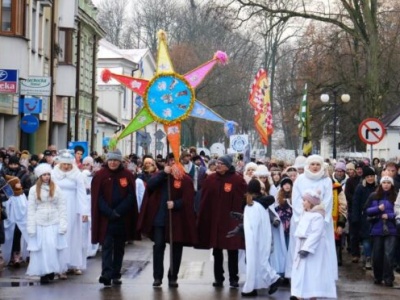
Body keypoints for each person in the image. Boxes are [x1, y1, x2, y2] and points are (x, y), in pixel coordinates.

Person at [137, 153, 198, 288]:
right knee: (158, 246)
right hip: (160, 219)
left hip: (177, 220)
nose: (172, 164)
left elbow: (188, 199)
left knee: (176, 249)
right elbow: (151, 186)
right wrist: (163, 174)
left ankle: (173, 277)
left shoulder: (185, 179)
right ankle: (157, 277)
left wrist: (176, 204)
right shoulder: (160, 176)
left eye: (174, 161)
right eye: (169, 161)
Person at [285, 155, 337, 286]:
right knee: (300, 248)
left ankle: (322, 277)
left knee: (320, 248)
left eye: (317, 164)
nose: (315, 167)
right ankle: (297, 275)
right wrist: (303, 217)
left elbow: (328, 200)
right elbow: (296, 199)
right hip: (301, 219)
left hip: (320, 220)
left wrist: (320, 217)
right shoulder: (300, 180)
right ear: (308, 165)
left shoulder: (326, 180)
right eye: (312, 164)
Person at [197, 155, 247, 288]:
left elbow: (244, 199)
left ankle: (233, 278)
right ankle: (218, 278)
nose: (218, 165)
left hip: (231, 222)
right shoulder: (211, 179)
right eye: (217, 163)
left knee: (232, 251)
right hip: (216, 222)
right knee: (217, 251)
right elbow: (204, 198)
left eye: (221, 163)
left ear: (228, 165)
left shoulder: (237, 180)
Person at [91, 149, 138, 287]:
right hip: (107, 218)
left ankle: (116, 273)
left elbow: (131, 196)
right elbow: (97, 197)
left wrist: (119, 211)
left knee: (119, 247)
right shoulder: (100, 175)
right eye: (111, 160)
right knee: (106, 245)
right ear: (107, 161)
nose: (113, 163)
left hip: (122, 218)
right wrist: (109, 212)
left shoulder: (127, 175)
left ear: (120, 162)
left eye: (115, 160)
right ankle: (106, 274)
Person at [290, 189, 337, 299]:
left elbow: (316, 233)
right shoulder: (305, 214)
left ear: (311, 202)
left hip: (313, 249)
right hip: (302, 245)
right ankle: (298, 294)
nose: (303, 202)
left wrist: (307, 248)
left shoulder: (317, 216)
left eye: (305, 200)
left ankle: (311, 295)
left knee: (312, 272)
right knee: (301, 270)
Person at [240, 179, 282, 297]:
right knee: (261, 260)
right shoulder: (261, 204)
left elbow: (251, 225)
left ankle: (272, 279)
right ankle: (254, 286)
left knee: (255, 261)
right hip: (263, 236)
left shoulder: (252, 205)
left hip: (254, 238)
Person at [26, 163, 67, 284]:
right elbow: (31, 209)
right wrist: (31, 227)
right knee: (42, 248)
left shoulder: (56, 188)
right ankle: (43, 272)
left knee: (52, 247)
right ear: (39, 176)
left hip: (54, 221)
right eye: (44, 174)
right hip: (40, 222)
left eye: (48, 174)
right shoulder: (33, 190)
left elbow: (62, 207)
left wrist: (63, 224)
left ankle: (51, 270)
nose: (46, 177)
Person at [51, 150, 88, 277]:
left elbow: (81, 192)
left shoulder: (77, 174)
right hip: (58, 206)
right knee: (61, 234)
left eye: (68, 164)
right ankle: (61, 266)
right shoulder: (54, 173)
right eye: (64, 164)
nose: (66, 167)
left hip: (73, 206)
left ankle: (74, 263)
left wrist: (84, 211)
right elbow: (50, 190)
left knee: (74, 234)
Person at [365, 175, 397, 287]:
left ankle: (388, 278)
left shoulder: (395, 197)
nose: (386, 185)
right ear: (381, 184)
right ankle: (378, 277)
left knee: (389, 255)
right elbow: (366, 211)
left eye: (388, 183)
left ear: (391, 185)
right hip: (377, 229)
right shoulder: (374, 196)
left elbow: (398, 213)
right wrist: (377, 209)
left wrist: (389, 215)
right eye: (384, 182)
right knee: (377, 255)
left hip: (391, 229)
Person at [352, 166, 377, 270]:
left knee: (374, 239)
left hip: (376, 217)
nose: (370, 178)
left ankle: (373, 257)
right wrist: (355, 218)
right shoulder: (360, 188)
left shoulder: (378, 187)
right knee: (366, 238)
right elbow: (356, 204)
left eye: (372, 176)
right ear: (364, 178)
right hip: (364, 217)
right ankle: (367, 257)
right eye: (368, 176)